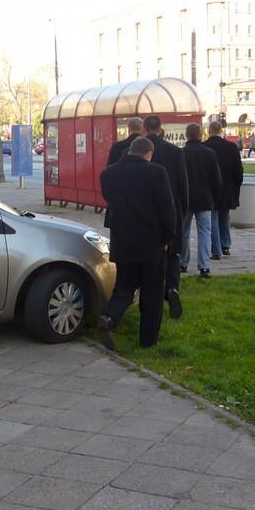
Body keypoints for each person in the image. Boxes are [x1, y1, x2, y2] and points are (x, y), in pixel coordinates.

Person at [99, 137, 176, 350]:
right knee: (152, 292)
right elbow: (167, 208)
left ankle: (109, 318)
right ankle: (148, 340)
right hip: (152, 242)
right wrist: (168, 238)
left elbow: (110, 202)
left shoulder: (108, 174)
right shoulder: (157, 172)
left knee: (123, 287)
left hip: (122, 240)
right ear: (148, 153)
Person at [143, 115, 188, 319]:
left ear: (145, 129)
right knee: (173, 253)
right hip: (173, 208)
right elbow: (183, 185)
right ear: (161, 129)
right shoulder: (175, 152)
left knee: (151, 253)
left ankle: (152, 290)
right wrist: (183, 210)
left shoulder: (138, 150)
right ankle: (172, 287)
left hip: (147, 211)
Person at [181, 123, 222, 278]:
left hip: (186, 199)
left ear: (186, 135)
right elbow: (216, 179)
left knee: (183, 232)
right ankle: (204, 266)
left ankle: (183, 262)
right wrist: (214, 197)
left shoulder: (182, 153)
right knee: (205, 232)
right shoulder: (209, 153)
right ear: (201, 134)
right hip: (205, 199)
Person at [204, 120, 243, 260]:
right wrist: (236, 185)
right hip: (227, 187)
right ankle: (225, 245)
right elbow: (238, 170)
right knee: (224, 216)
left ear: (209, 131)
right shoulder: (231, 147)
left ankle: (215, 247)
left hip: (209, 188)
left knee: (212, 217)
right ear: (221, 131)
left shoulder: (205, 147)